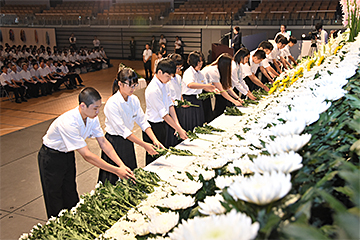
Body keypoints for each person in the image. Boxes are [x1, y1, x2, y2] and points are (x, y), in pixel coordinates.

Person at [38, 87, 135, 219]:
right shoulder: (69, 122)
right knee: (54, 196)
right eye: (95, 108)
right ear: (83, 106)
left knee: (70, 191)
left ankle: (74, 220)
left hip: (67, 154)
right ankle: (57, 225)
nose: (98, 111)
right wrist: (116, 170)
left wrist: (121, 165)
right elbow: (87, 155)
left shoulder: (92, 117)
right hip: (51, 157)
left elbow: (103, 143)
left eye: (99, 107)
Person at [98, 68, 164, 185]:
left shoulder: (134, 100)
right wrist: (144, 145)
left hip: (128, 141)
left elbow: (142, 121)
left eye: (135, 85)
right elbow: (123, 131)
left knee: (130, 178)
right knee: (113, 182)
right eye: (130, 86)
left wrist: (154, 140)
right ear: (120, 84)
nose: (133, 89)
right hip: (114, 143)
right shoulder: (112, 103)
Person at [143, 59, 188, 165]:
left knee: (161, 154)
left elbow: (169, 104)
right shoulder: (153, 89)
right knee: (153, 157)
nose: (169, 79)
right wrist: (179, 130)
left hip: (161, 124)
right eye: (168, 76)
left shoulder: (164, 83)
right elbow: (164, 114)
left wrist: (177, 125)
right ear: (159, 72)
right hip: (152, 125)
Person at [181, 51, 218, 131]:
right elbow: (190, 84)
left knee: (199, 122)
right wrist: (206, 86)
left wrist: (213, 89)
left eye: (201, 63)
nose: (200, 65)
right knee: (191, 123)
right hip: (189, 99)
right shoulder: (189, 72)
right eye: (198, 63)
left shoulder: (200, 73)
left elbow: (205, 87)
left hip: (197, 99)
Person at [201, 53, 243, 121]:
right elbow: (222, 90)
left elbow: (227, 87)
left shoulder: (220, 70)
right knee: (207, 115)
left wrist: (237, 98)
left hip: (209, 90)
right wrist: (235, 101)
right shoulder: (213, 71)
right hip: (201, 91)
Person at [166, 53, 185, 147]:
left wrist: (182, 101)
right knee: (172, 134)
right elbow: (168, 99)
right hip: (171, 109)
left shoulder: (178, 77)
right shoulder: (167, 80)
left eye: (180, 68)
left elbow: (179, 92)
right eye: (177, 68)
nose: (179, 70)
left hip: (178, 108)